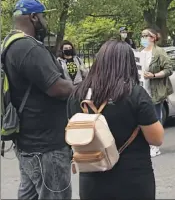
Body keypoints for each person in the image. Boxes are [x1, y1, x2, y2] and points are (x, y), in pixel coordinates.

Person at [67, 40, 164, 199]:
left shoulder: (77, 95)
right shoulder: (134, 94)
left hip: (91, 179)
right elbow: (156, 138)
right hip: (132, 178)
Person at [3, 0, 74, 199]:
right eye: (43, 17)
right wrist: (83, 87)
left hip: (28, 142)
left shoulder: (9, 44)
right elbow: (57, 88)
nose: (45, 22)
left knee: (30, 194)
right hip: (46, 147)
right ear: (33, 17)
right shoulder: (29, 48)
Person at [137, 28, 173, 158]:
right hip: (142, 90)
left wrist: (154, 75)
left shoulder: (159, 52)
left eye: (146, 35)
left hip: (155, 90)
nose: (143, 38)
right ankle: (147, 144)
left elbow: (169, 69)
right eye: (142, 35)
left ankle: (155, 145)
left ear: (153, 38)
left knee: (155, 118)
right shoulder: (140, 53)